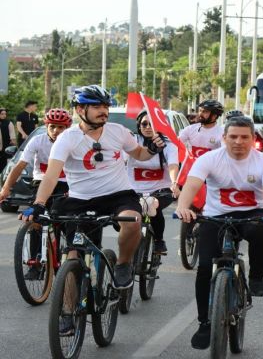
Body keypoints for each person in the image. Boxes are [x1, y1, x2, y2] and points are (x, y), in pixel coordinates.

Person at [21, 85, 165, 291]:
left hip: (118, 195)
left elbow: (140, 154)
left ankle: (123, 264)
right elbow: (51, 175)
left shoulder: (119, 132)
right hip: (80, 200)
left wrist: (152, 149)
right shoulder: (67, 138)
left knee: (133, 221)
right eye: (96, 106)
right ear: (80, 110)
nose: (103, 110)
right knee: (73, 257)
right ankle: (68, 317)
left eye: (105, 105)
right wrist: (39, 203)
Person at [174, 116, 263, 350]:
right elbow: (193, 185)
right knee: (205, 267)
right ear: (224, 138)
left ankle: (257, 276)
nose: (238, 142)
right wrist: (183, 207)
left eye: (245, 137)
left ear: (253, 139)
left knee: (261, 231)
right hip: (215, 216)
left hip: (252, 214)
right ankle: (205, 322)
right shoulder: (209, 159)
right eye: (233, 137)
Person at [0, 108, 72, 279]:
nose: (56, 131)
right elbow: (19, 166)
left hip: (66, 185)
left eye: (61, 127)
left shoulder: (73, 142)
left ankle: (72, 259)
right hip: (40, 184)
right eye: (52, 126)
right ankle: (36, 262)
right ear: (46, 126)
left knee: (68, 221)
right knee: (36, 220)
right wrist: (5, 188)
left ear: (67, 128)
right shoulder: (37, 141)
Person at [126, 110, 181, 255]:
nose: (148, 127)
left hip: (161, 190)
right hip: (132, 190)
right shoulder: (132, 142)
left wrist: (174, 181)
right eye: (144, 124)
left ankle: (159, 241)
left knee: (151, 204)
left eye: (152, 124)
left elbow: (173, 165)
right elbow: (120, 159)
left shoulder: (169, 145)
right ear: (139, 125)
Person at [0, 108, 17, 172]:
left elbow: (12, 135)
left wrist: (13, 144)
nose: (4, 115)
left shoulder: (9, 123)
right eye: (2, 114)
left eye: (5, 114)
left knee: (4, 163)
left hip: (6, 146)